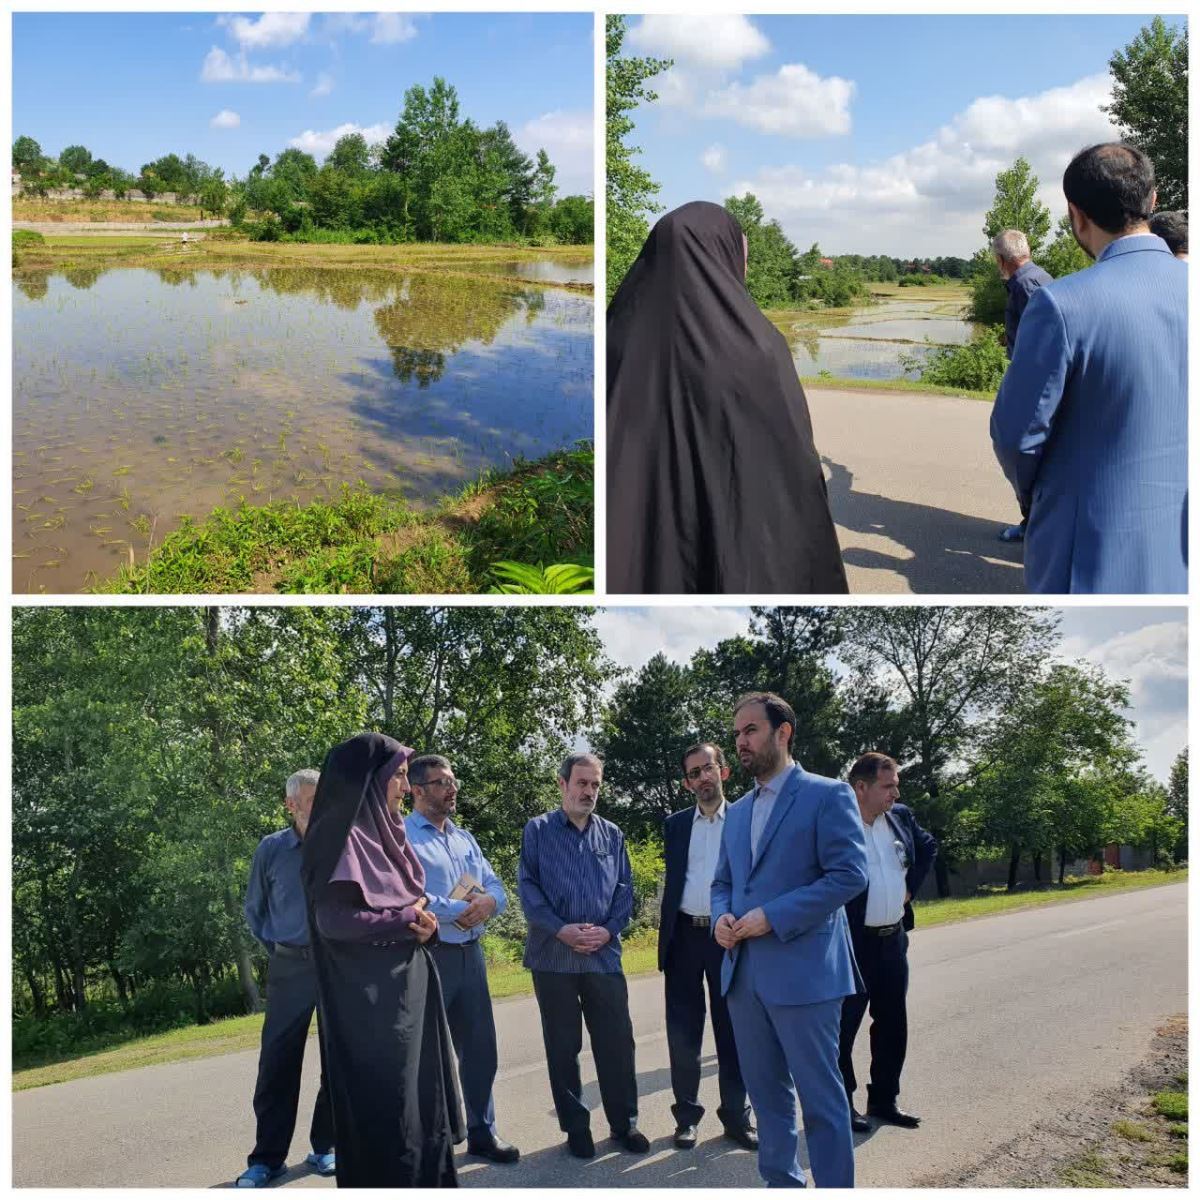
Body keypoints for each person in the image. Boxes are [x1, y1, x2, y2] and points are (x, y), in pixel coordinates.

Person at [607, 201, 848, 594]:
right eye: (743, 255)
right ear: (722, 256)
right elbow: (793, 471)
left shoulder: (617, 334)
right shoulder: (760, 348)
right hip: (737, 551)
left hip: (633, 544)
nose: (746, 267)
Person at [991, 143, 1187, 594]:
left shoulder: (1061, 304)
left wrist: (1036, 499)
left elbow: (1017, 437)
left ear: (1075, 215)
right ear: (1152, 201)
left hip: (1094, 547)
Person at [713, 693, 868, 1187]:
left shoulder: (827, 794)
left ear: (783, 733)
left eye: (751, 730)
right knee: (768, 1100)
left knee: (821, 1102)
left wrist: (771, 917)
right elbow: (722, 882)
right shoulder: (735, 812)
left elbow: (849, 875)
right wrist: (721, 918)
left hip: (806, 975)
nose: (741, 741)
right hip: (744, 977)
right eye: (737, 733)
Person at [300, 732, 463, 1188]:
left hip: (410, 987)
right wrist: (405, 917)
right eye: (397, 775)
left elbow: (411, 904)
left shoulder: (390, 833)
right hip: (370, 1004)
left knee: (421, 1104)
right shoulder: (344, 839)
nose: (404, 786)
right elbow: (335, 921)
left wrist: (426, 927)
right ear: (370, 781)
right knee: (391, 1111)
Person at [517, 753, 649, 1159]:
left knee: (616, 1043)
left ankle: (624, 1124)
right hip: (552, 956)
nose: (588, 791)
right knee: (563, 1045)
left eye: (595, 784)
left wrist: (608, 930)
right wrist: (561, 929)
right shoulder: (537, 831)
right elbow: (528, 888)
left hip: (603, 956)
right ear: (562, 785)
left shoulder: (612, 834)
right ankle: (576, 1128)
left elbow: (625, 891)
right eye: (581, 783)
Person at [406, 754, 520, 1165]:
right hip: (430, 955)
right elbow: (410, 896)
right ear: (416, 791)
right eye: (440, 783)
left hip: (471, 956)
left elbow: (495, 888)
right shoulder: (403, 838)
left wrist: (489, 902)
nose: (452, 789)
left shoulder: (464, 838)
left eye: (453, 780)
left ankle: (482, 1133)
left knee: (480, 1050)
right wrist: (459, 910)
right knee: (428, 1057)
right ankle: (433, 1143)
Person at [237, 770, 335, 1188]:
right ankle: (267, 1159)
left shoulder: (343, 845)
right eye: (312, 799)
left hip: (337, 966)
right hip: (289, 965)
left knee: (337, 1061)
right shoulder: (271, 849)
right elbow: (256, 912)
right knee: (277, 1063)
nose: (321, 806)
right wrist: (283, 948)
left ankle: (325, 1147)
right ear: (291, 804)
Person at [659, 743, 757, 1151]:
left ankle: (736, 1116)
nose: (703, 777)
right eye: (694, 773)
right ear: (687, 783)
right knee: (683, 1032)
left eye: (708, 768)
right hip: (683, 935)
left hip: (728, 937)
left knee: (732, 1030)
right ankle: (686, 1118)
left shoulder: (748, 818)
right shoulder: (676, 824)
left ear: (724, 771)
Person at [837, 753, 937, 1134]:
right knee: (841, 1030)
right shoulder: (838, 826)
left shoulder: (901, 817)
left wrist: (910, 889)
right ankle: (840, 1105)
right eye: (888, 785)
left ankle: (883, 1099)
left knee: (893, 1022)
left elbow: (928, 847)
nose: (896, 791)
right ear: (860, 787)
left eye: (896, 784)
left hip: (893, 939)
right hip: (852, 945)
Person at [991, 229, 1053, 544]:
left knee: (1017, 451)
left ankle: (1035, 526)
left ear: (1002, 260)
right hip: (1032, 379)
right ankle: (1034, 522)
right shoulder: (1037, 278)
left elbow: (1045, 341)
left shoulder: (1026, 286)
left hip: (1032, 384)